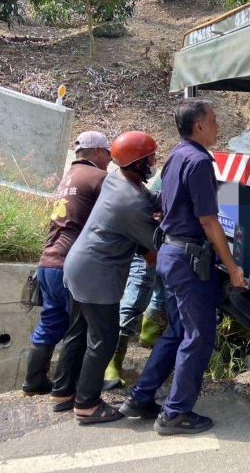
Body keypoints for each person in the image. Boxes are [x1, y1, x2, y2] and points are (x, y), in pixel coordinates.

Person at [120, 99, 246, 435]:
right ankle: (175, 414)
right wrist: (232, 267)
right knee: (199, 336)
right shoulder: (201, 162)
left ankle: (140, 398)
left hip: (169, 255)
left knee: (177, 332)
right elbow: (209, 221)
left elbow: (166, 205)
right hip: (190, 261)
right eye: (214, 120)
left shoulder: (176, 156)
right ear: (199, 127)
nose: (218, 126)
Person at [49, 131, 162, 424]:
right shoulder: (131, 203)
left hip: (78, 265)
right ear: (137, 163)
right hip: (97, 275)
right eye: (150, 157)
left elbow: (149, 200)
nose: (154, 161)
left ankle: (63, 393)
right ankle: (87, 405)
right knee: (104, 339)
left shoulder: (116, 180)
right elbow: (155, 247)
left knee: (78, 332)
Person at [22, 131, 111, 397]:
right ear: (97, 152)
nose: (109, 158)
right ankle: (69, 386)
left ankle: (34, 381)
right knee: (79, 329)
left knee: (51, 323)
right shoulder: (98, 178)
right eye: (108, 153)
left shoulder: (67, 178)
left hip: (47, 263)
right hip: (70, 266)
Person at [101, 175, 167, 392]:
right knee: (136, 297)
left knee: (161, 291)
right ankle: (112, 362)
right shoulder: (177, 171)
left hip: (163, 243)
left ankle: (148, 334)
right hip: (146, 242)